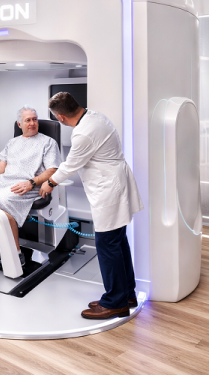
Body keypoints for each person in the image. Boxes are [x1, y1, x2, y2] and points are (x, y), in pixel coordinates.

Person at [40, 92, 143, 320]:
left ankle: (114, 303)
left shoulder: (83, 134)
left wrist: (49, 183)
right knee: (118, 242)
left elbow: (70, 166)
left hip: (109, 189)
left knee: (107, 245)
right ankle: (127, 295)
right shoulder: (95, 117)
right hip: (114, 182)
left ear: (60, 117)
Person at [0, 106, 60, 270]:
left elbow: (53, 170)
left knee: (4, 200)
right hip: (5, 181)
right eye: (28, 120)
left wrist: (31, 182)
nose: (32, 123)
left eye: (34, 119)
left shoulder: (48, 142)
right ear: (19, 124)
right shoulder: (12, 142)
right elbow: (2, 166)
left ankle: (16, 255)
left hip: (29, 185)